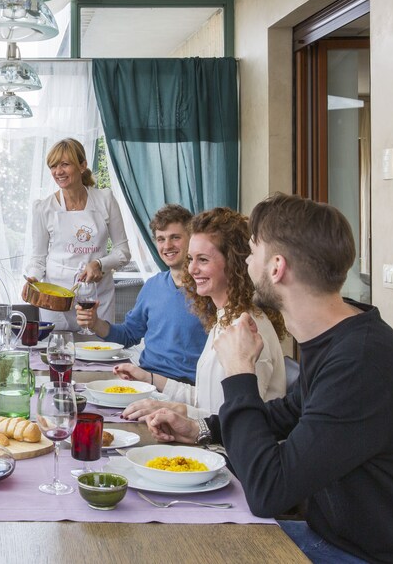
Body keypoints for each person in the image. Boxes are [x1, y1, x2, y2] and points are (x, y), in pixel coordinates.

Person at [146, 194, 393, 563]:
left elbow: (268, 492)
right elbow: (283, 414)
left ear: (276, 267)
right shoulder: (343, 340)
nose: (246, 260)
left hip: (363, 554)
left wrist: (240, 372)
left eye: (252, 249)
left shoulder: (360, 364)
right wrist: (202, 430)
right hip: (330, 536)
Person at [117, 207, 287, 420]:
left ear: (233, 263)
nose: (191, 269)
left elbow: (238, 422)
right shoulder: (225, 317)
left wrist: (174, 410)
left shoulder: (248, 328)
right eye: (191, 259)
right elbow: (205, 399)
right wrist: (148, 377)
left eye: (203, 260)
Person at [76, 204, 206, 383]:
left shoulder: (208, 288)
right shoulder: (152, 286)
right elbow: (128, 335)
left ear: (191, 239)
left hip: (186, 389)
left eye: (175, 237)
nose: (167, 246)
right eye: (161, 239)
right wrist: (95, 323)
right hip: (145, 382)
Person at [26, 138, 130, 331]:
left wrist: (99, 264)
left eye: (65, 164)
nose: (58, 172)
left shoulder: (105, 200)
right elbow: (38, 258)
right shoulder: (44, 208)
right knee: (58, 350)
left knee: (99, 348)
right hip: (56, 298)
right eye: (53, 166)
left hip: (97, 295)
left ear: (82, 166)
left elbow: (123, 251)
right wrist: (33, 278)